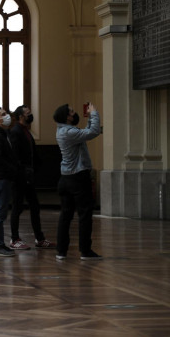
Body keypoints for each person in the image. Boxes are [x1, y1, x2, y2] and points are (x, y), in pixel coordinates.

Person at [52, 102, 102, 260]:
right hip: (78, 178)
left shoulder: (63, 130)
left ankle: (61, 251)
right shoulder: (69, 132)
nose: (74, 113)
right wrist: (94, 114)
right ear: (67, 117)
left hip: (66, 178)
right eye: (72, 112)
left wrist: (89, 120)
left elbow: (85, 132)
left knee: (65, 215)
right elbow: (93, 132)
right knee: (85, 214)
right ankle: (85, 251)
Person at [8, 105, 56, 250]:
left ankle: (39, 238)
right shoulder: (16, 132)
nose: (30, 115)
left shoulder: (26, 131)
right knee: (17, 207)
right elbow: (15, 155)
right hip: (20, 176)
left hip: (28, 175)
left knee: (34, 206)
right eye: (28, 113)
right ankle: (14, 238)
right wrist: (20, 173)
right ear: (21, 116)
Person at [0, 107, 19, 257]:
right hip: (0, 178)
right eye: (3, 114)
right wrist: (12, 169)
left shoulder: (4, 134)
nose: (7, 116)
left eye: (6, 113)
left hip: (4, 177)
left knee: (1, 212)